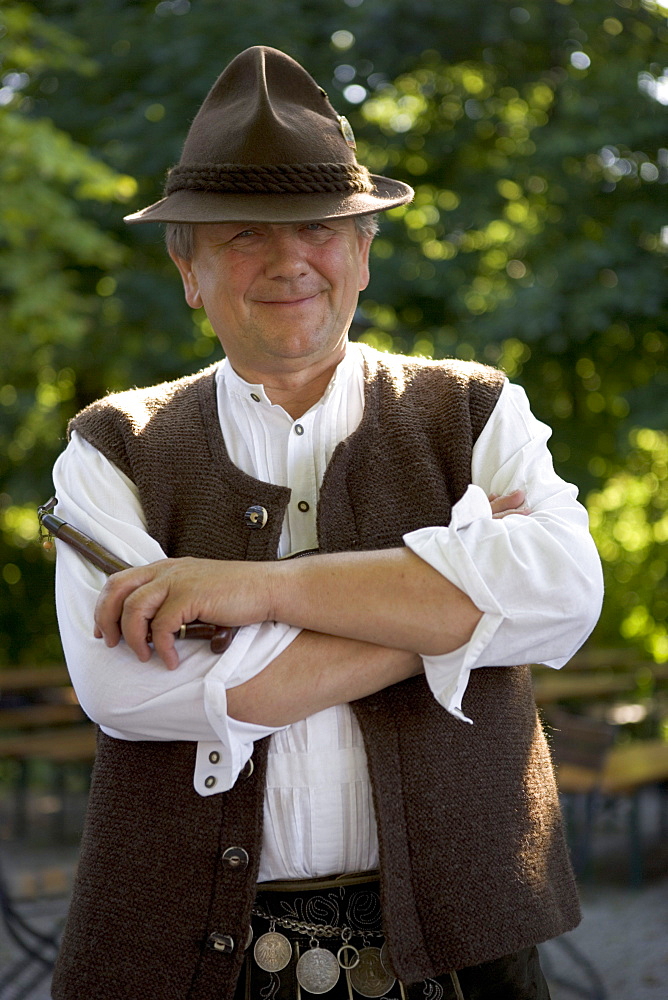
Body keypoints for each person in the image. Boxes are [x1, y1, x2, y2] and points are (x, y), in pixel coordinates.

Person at [50, 45, 603, 1000]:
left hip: (470, 959)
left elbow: (566, 593)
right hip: (185, 963)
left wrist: (253, 588)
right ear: (189, 271)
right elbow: (130, 694)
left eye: (316, 227)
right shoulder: (111, 446)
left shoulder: (473, 408)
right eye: (242, 235)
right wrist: (459, 609)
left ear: (362, 254)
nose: (288, 260)